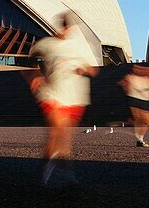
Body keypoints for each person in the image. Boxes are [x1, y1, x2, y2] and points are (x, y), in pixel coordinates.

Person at [28, 13, 98, 187]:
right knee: (57, 133)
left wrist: (85, 70)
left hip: (74, 98)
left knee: (64, 141)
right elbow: (31, 57)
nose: (66, 30)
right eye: (64, 26)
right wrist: (35, 75)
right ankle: (50, 177)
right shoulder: (47, 44)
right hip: (51, 95)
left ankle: (62, 175)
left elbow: (93, 70)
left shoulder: (80, 47)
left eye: (68, 26)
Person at [120, 64, 149, 147]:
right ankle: (139, 139)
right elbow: (123, 83)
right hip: (135, 99)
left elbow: (148, 91)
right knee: (143, 120)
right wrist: (126, 87)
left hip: (146, 101)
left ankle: (137, 134)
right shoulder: (132, 77)